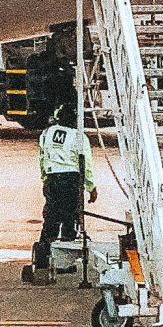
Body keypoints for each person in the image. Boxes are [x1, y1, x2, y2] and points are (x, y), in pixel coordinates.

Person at [31, 116, 98, 275]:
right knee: (70, 218)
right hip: (71, 180)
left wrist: (45, 179)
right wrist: (91, 187)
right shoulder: (78, 136)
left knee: (51, 218)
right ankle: (65, 262)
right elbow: (86, 163)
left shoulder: (47, 133)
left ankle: (44, 258)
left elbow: (42, 157)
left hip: (53, 178)